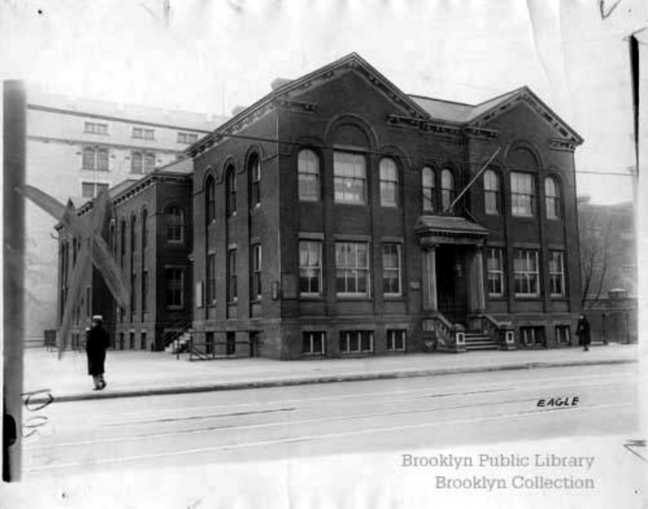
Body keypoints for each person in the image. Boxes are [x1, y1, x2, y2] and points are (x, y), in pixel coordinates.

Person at [86, 315, 110, 390]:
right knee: (100, 367)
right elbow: (108, 343)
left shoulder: (92, 330)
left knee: (94, 370)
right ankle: (102, 381)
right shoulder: (105, 330)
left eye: (93, 321)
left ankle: (97, 385)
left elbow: (89, 343)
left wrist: (88, 351)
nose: (92, 323)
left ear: (95, 322)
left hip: (93, 352)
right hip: (102, 352)